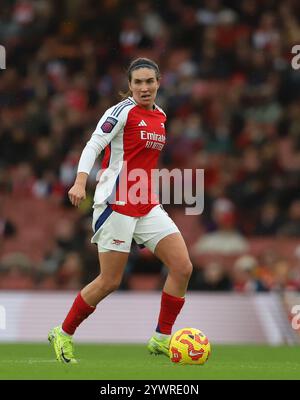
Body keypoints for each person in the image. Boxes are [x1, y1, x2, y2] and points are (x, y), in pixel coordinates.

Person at [48, 57, 193, 363]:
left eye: (149, 82)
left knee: (182, 267)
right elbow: (93, 145)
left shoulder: (161, 116)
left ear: (158, 82)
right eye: (138, 82)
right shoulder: (120, 112)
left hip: (147, 203)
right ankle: (63, 332)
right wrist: (79, 182)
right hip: (116, 203)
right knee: (109, 281)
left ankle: (161, 338)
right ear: (129, 85)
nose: (144, 87)